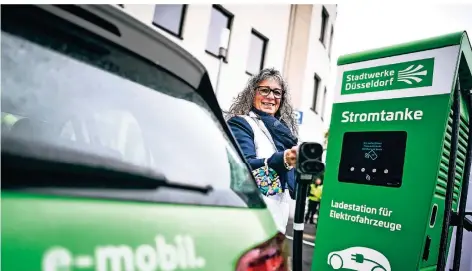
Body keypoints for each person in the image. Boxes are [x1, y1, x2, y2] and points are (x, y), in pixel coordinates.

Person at [226, 68, 299, 234]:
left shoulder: (283, 134)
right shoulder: (242, 123)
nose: (271, 97)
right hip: (249, 215)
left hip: (276, 217)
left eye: (277, 92)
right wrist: (284, 160)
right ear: (253, 93)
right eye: (264, 90)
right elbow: (242, 165)